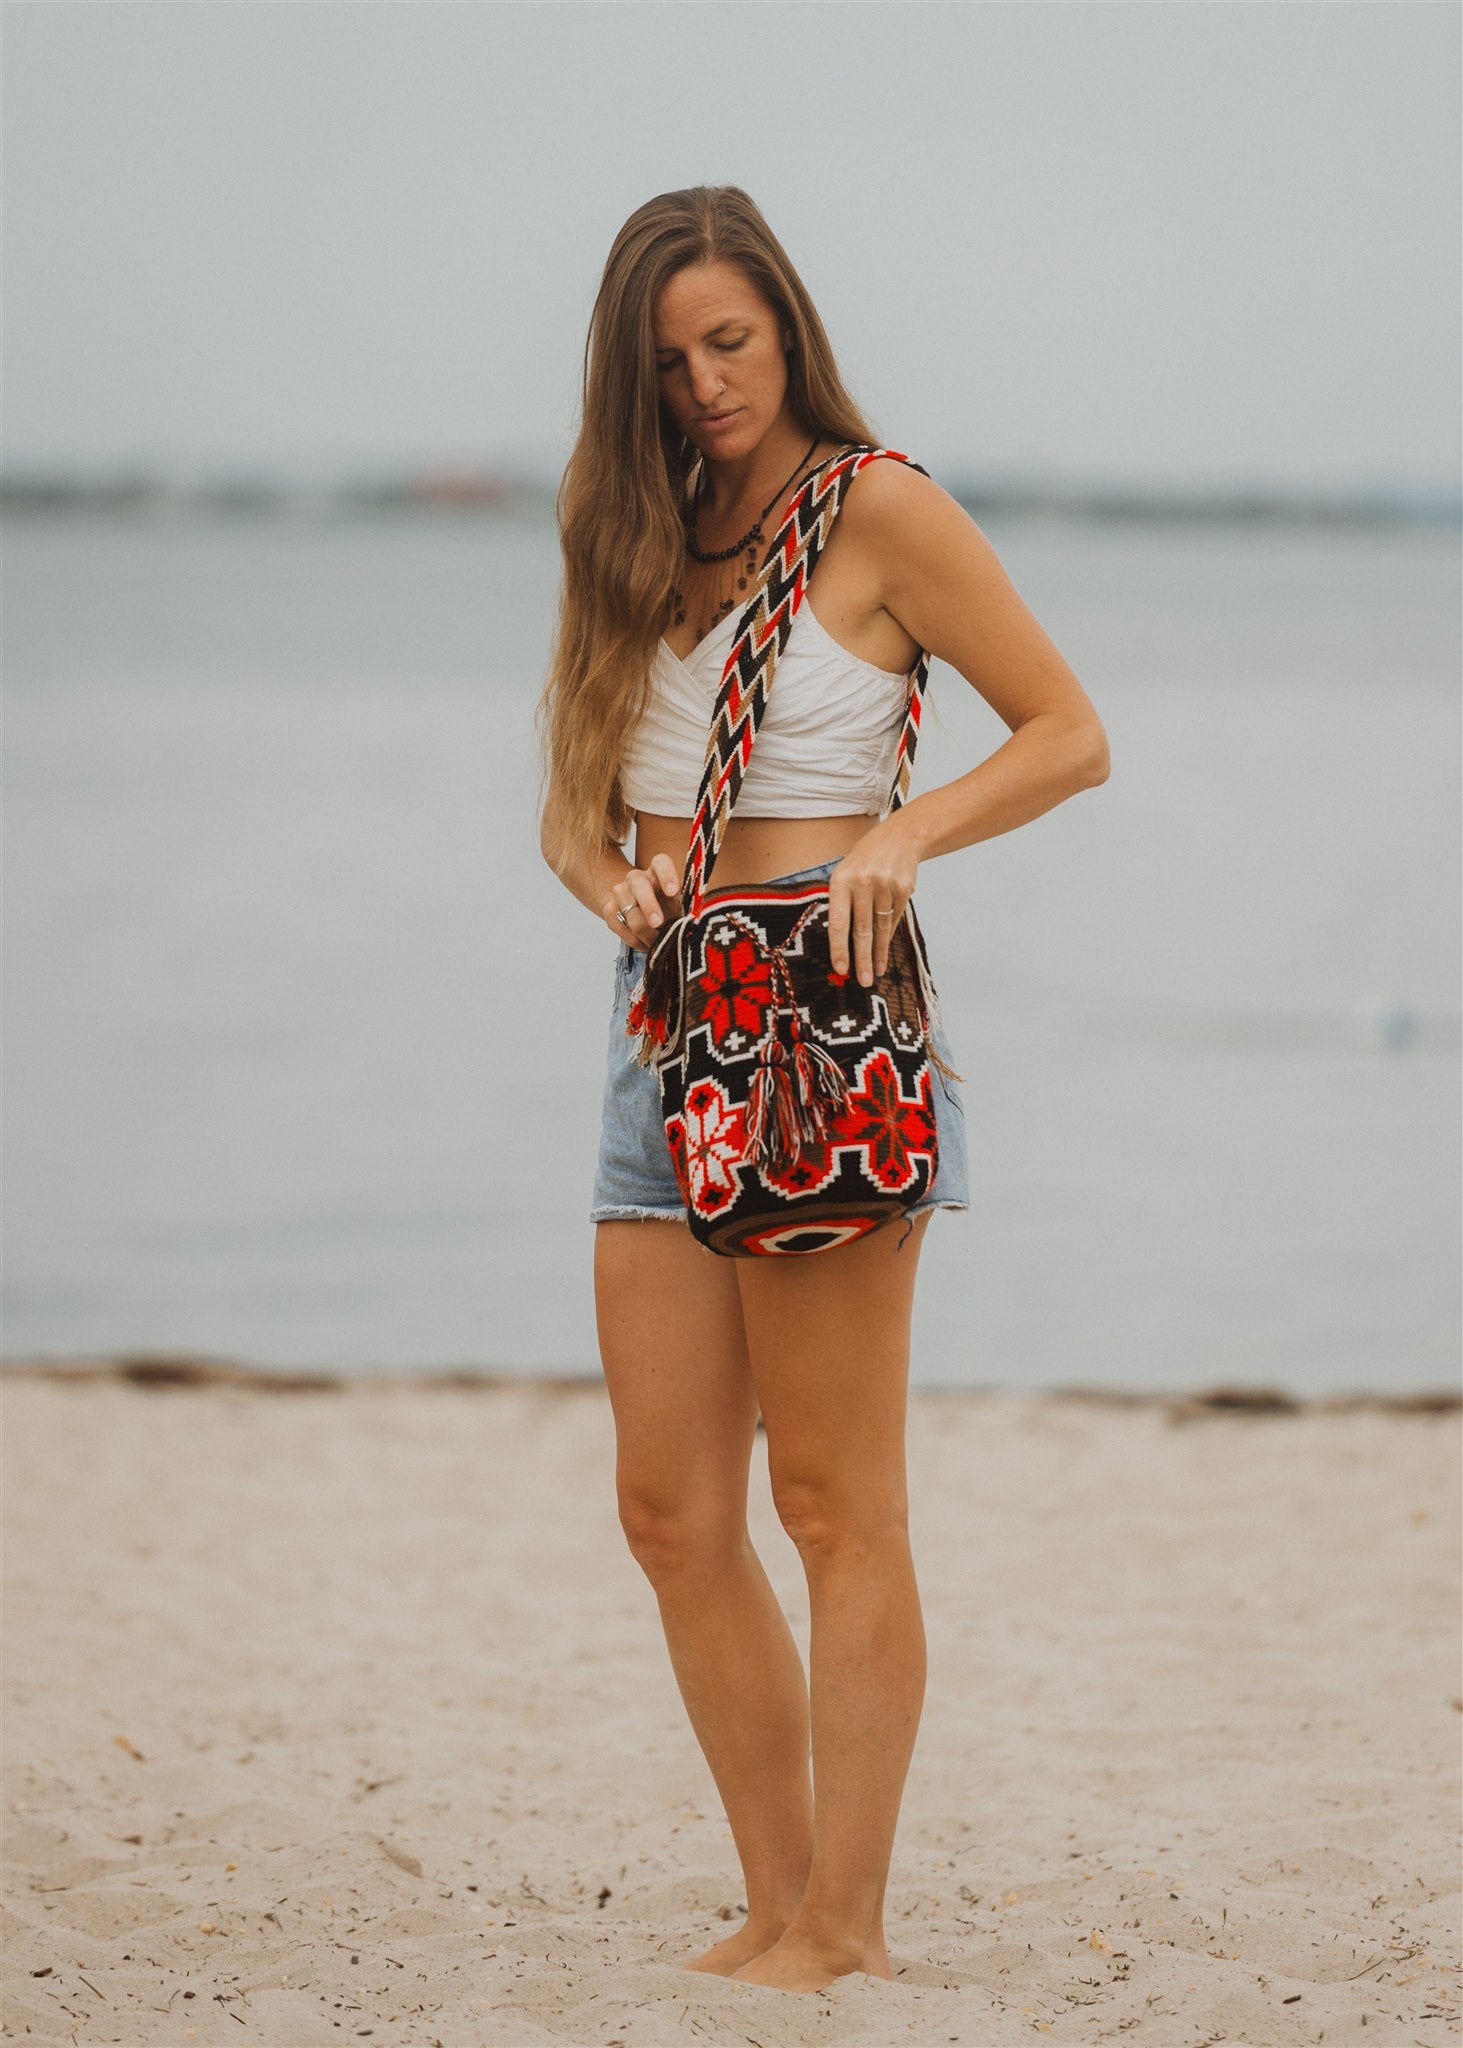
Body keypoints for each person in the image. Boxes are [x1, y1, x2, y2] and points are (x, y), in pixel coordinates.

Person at [538, 185, 1109, 1995]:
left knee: (836, 1504)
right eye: (672, 359)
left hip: (818, 1033)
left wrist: (908, 833)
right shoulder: (626, 529)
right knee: (669, 1513)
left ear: (787, 325)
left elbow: (1070, 731)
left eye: (733, 340)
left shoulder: (873, 510)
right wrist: (599, 875)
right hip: (661, 1035)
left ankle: (847, 1927)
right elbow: (571, 800)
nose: (708, 384)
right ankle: (783, 1903)